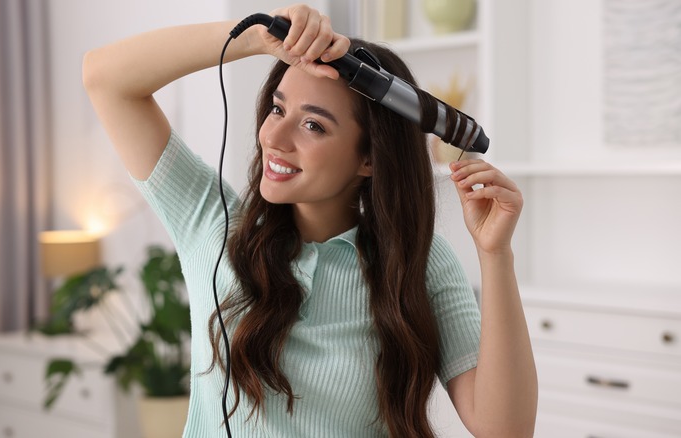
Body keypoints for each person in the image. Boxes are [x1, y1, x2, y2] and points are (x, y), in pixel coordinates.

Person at [82, 4, 537, 437]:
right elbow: (105, 78)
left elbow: (505, 429)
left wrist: (495, 255)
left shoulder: (415, 260)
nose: (273, 137)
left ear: (369, 159)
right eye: (278, 109)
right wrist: (258, 37)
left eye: (313, 125)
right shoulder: (212, 221)